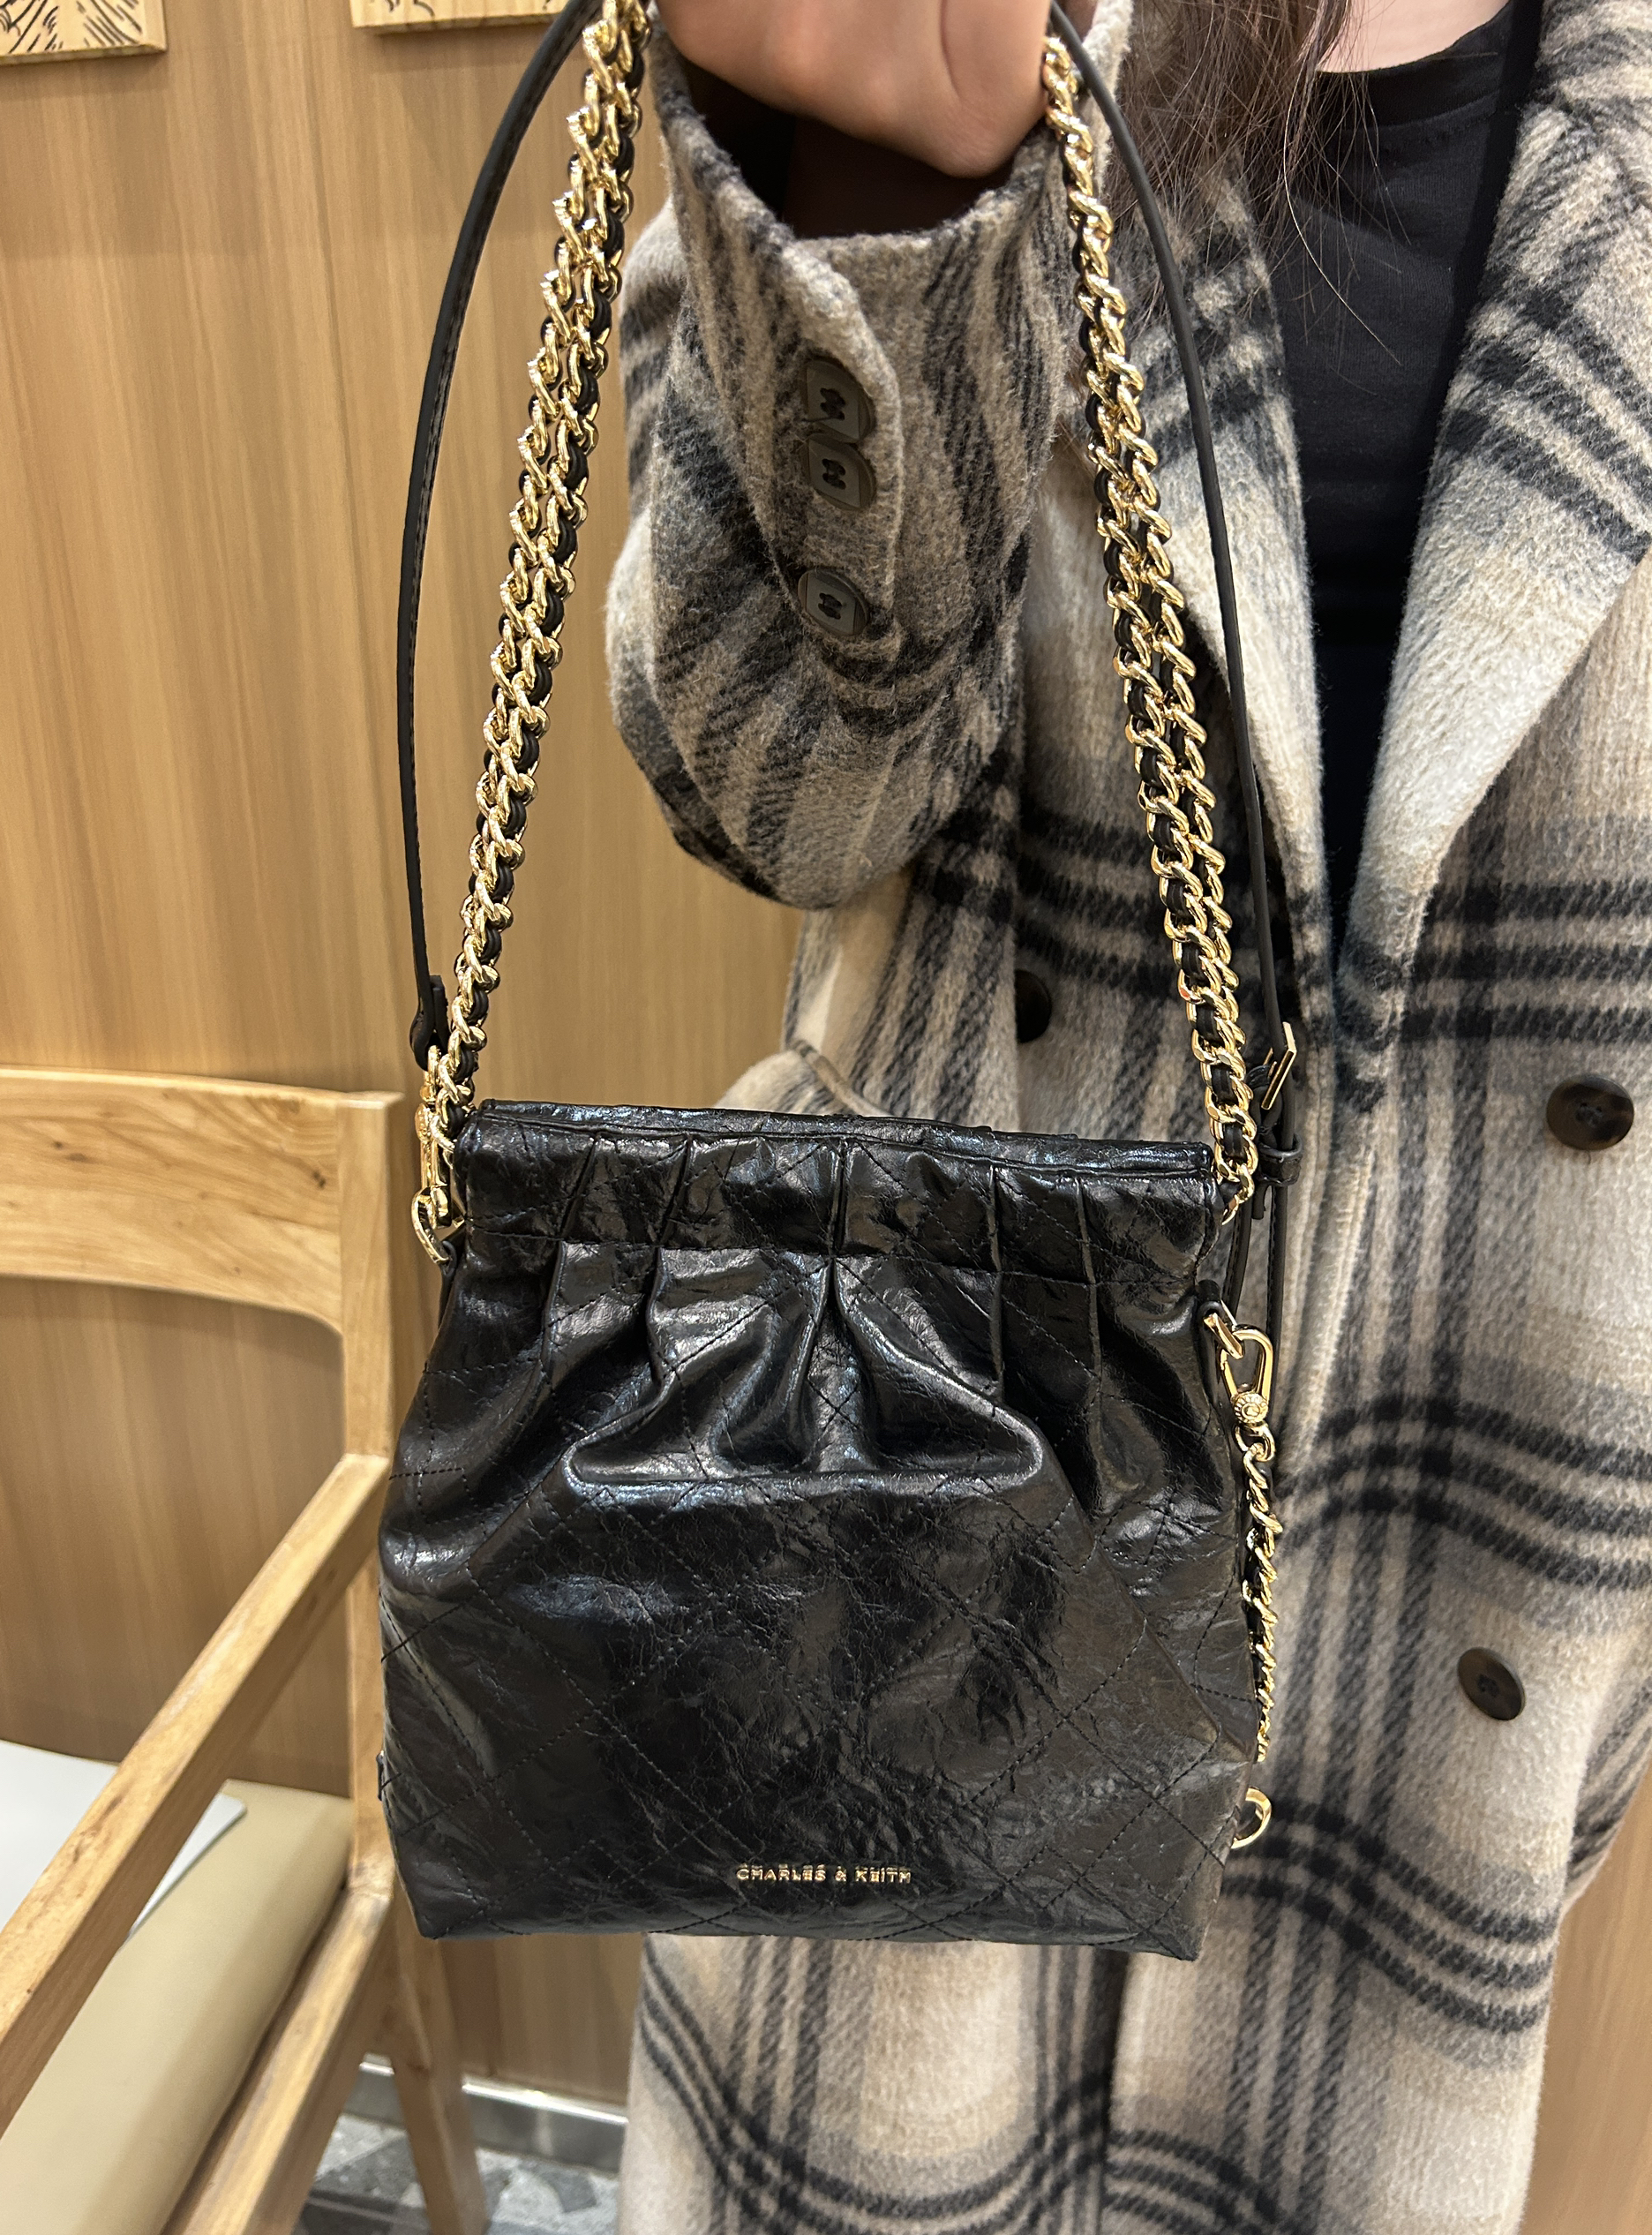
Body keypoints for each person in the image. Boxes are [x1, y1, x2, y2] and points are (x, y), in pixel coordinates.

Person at [604, 0, 1652, 2227]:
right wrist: (881, 214)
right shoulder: (996, 32)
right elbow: (770, 794)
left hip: (1466, 1503)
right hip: (924, 1488)